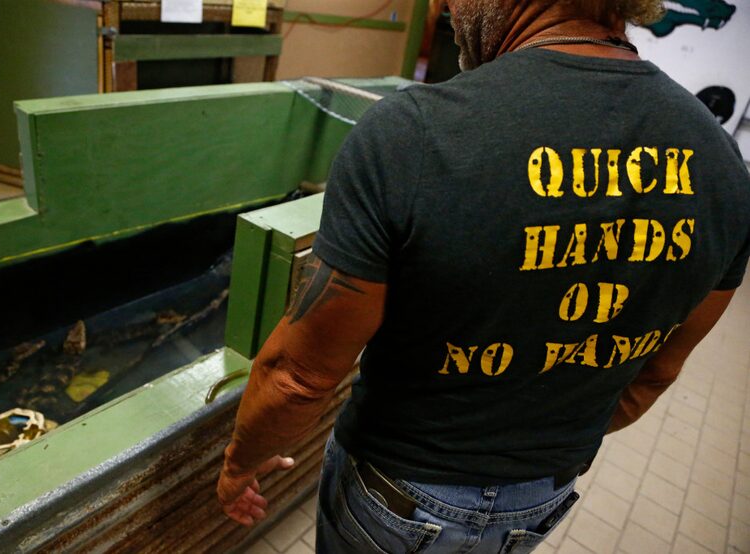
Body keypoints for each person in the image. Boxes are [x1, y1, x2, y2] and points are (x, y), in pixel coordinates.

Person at [216, 0, 750, 551]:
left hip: (395, 494)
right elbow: (656, 374)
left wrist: (238, 464)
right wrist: (534, 446)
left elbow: (298, 378)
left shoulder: (414, 133)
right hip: (542, 496)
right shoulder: (725, 169)